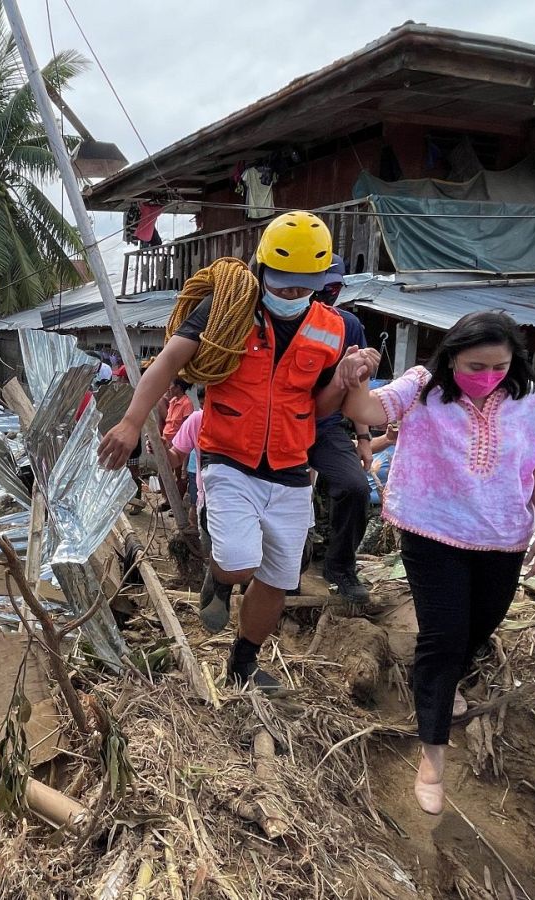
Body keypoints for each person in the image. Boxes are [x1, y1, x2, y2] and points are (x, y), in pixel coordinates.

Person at [97, 211, 377, 689]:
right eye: (283, 282)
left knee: (278, 579)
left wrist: (349, 377)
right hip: (228, 455)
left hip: (291, 467)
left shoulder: (336, 329)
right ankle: (221, 578)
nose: (291, 294)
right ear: (262, 268)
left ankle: (243, 663)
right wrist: (128, 422)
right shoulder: (226, 313)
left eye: (302, 286)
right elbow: (167, 363)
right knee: (240, 563)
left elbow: (322, 405)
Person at [340, 310, 535, 816]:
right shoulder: (422, 386)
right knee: (443, 637)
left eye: (498, 366)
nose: (486, 376)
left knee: (480, 627)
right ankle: (432, 756)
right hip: (431, 530)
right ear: (452, 356)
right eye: (474, 365)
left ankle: (440, 682)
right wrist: (358, 377)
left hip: (503, 536)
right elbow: (370, 411)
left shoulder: (533, 401)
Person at [305, 260, 373, 611]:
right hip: (278, 423)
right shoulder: (279, 317)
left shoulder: (349, 325)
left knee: (356, 487)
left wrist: (363, 437)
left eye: (334, 287)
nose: (326, 293)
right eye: (321, 285)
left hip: (325, 426)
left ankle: (341, 567)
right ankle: (277, 571)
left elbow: (358, 384)